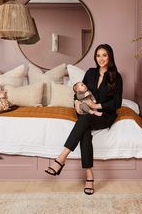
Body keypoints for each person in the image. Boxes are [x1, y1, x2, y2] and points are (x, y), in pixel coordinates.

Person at [45, 44, 123, 195]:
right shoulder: (90, 73)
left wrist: (96, 104)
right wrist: (75, 102)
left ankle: (61, 159)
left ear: (110, 56)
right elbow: (80, 91)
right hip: (86, 111)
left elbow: (116, 103)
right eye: (98, 55)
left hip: (105, 114)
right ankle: (89, 175)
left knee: (85, 121)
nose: (101, 58)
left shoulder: (116, 76)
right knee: (85, 129)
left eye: (104, 55)